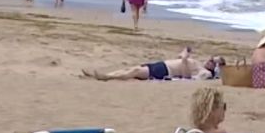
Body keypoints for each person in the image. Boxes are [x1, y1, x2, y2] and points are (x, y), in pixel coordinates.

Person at [85, 48, 223, 81]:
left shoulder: (205, 73)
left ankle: (108, 77)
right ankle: (104, 75)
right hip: (163, 65)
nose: (208, 60)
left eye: (212, 61)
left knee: (135, 71)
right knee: (133, 69)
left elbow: (187, 77)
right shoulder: (199, 65)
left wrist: (185, 60)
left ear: (215, 68)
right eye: (211, 58)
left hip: (165, 71)